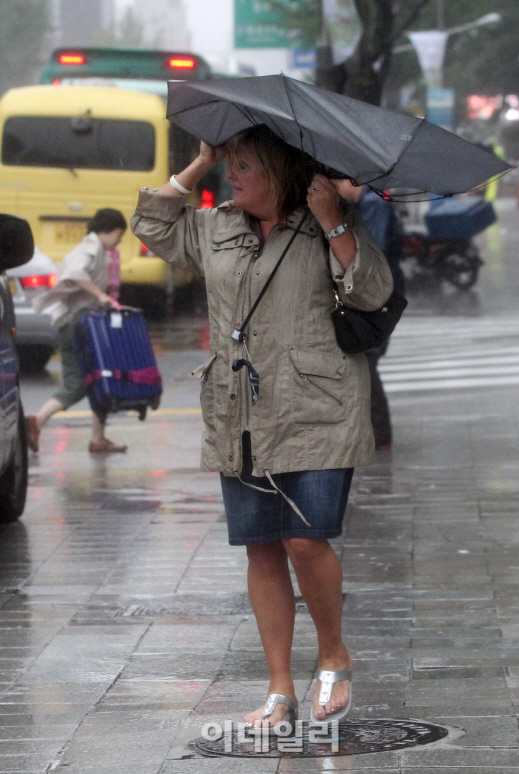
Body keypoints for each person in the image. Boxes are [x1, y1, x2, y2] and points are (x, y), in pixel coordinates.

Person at [131, 127, 393, 729]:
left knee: (306, 538)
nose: (233, 175)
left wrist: (332, 220)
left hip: (318, 408)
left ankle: (333, 653)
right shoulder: (217, 225)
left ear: (278, 171)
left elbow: (373, 290)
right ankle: (279, 687)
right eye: (232, 165)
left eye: (245, 165)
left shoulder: (326, 219)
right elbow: (153, 226)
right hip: (239, 410)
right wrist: (200, 162)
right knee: (261, 547)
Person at [25, 208, 128, 455]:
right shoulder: (91, 249)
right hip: (78, 325)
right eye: (119, 235)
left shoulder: (95, 249)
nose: (119, 242)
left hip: (74, 324)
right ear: (108, 230)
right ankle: (36, 422)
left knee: (98, 379)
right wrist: (101, 295)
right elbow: (74, 273)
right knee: (84, 382)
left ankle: (98, 438)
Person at [337, 180, 406, 452]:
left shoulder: (373, 205)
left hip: (379, 297)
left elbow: (368, 253)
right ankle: (376, 433)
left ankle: (380, 435)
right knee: (365, 360)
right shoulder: (366, 203)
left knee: (366, 360)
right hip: (377, 293)